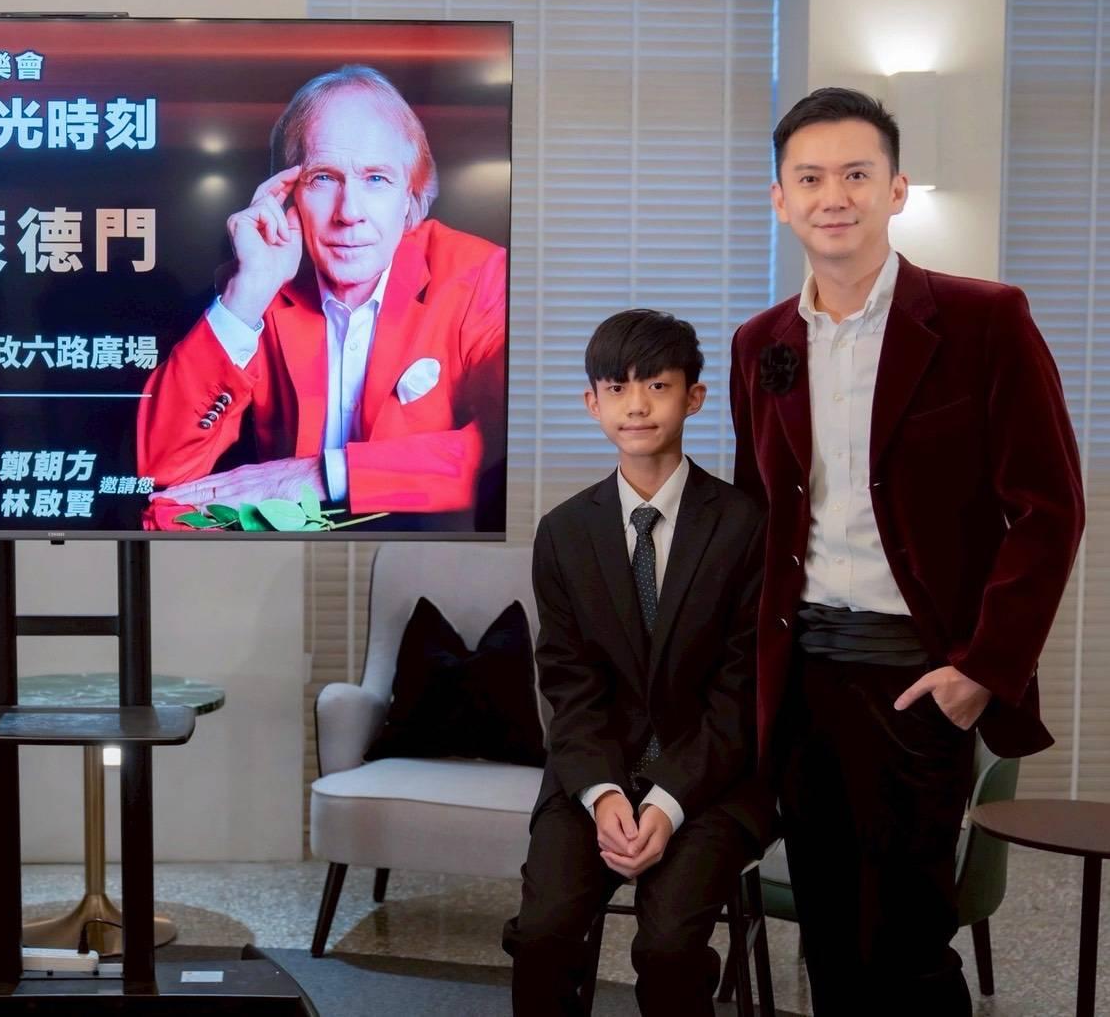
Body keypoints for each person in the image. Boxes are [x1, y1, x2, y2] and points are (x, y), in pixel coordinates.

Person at [730, 87, 1086, 1015]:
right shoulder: (760, 344)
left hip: (917, 678)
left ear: (895, 190)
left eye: (857, 174)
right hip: (802, 678)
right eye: (810, 178)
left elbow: (1049, 510)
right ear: (780, 199)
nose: (833, 196)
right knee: (828, 936)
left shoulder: (983, 320)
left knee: (908, 945)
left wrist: (982, 671)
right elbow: (758, 521)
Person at [503, 309, 770, 1016]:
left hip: (711, 781)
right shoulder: (563, 534)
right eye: (617, 388)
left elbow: (741, 691)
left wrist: (668, 800)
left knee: (668, 948)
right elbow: (569, 686)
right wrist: (604, 794)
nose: (638, 405)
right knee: (542, 933)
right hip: (595, 775)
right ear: (592, 403)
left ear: (694, 397)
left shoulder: (746, 526)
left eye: (657, 385)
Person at [137, 65, 506, 520]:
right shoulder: (265, 287)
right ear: (288, 196)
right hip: (291, 553)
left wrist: (327, 473)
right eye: (323, 178)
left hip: (427, 551)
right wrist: (247, 295)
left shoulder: (480, 277)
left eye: (376, 179)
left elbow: (507, 450)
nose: (349, 213)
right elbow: (161, 468)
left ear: (410, 197)